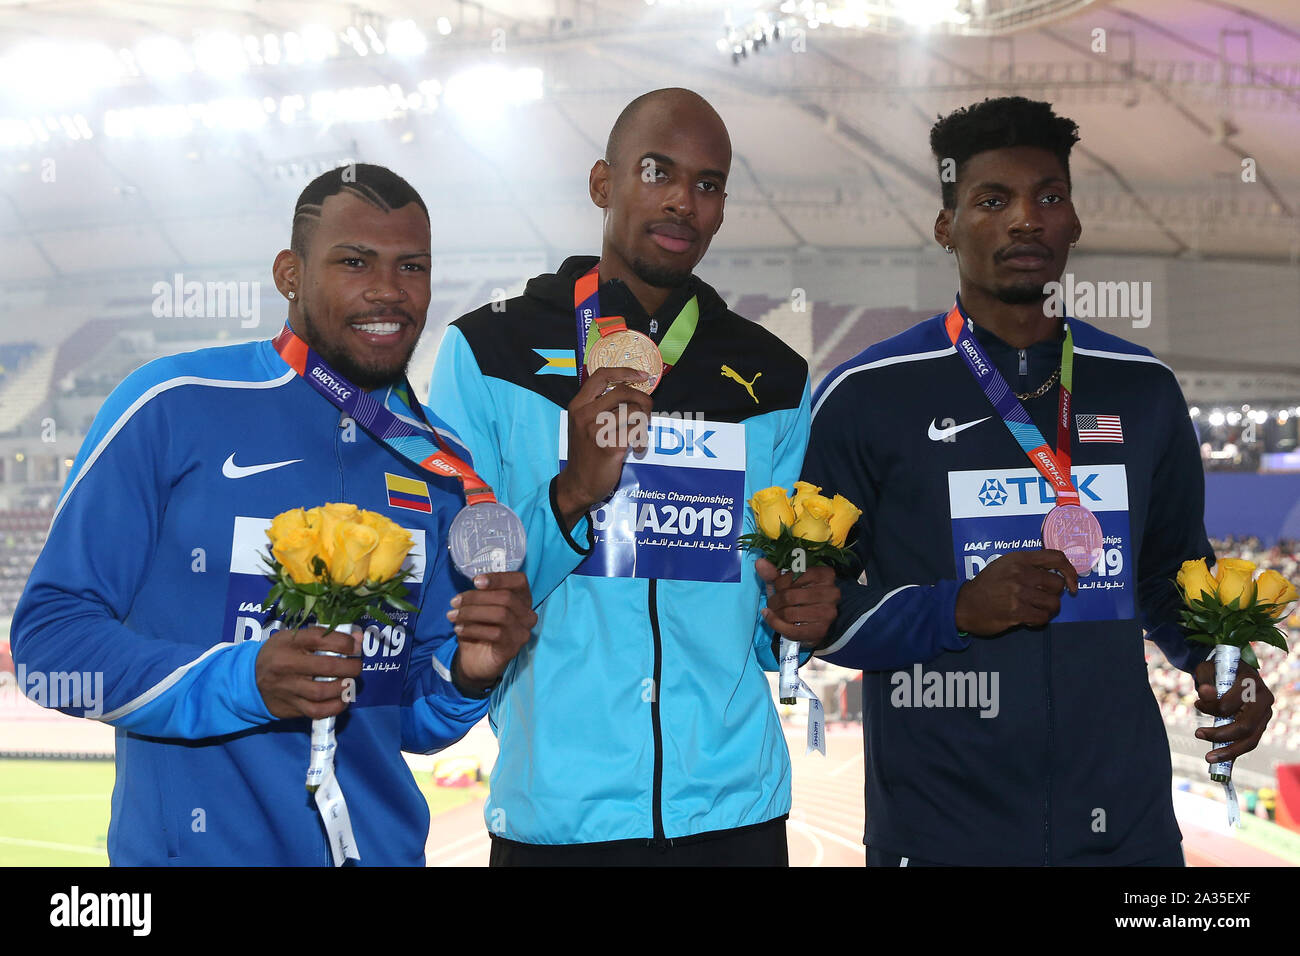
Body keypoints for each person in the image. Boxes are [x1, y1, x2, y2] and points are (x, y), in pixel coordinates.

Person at [11, 164, 538, 866]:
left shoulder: (439, 465)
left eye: (412, 266)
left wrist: (468, 673)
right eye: (355, 262)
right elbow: (50, 645)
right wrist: (243, 680)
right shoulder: (172, 406)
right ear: (290, 274)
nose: (389, 289)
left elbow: (410, 717)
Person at [802, 96, 1275, 866]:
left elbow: (1170, 575)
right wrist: (956, 608)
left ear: (1075, 221)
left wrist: (1224, 659)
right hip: (939, 834)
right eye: (994, 201)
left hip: (1126, 834)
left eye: (1049, 196)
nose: (1027, 219)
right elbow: (814, 609)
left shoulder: (1143, 388)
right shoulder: (868, 394)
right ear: (946, 226)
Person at [428, 88, 840, 865]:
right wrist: (570, 494)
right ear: (602, 183)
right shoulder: (488, 353)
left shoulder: (776, 377)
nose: (684, 200)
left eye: (708, 184)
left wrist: (798, 619)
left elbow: (767, 632)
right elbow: (456, 588)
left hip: (735, 816)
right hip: (559, 820)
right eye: (658, 172)